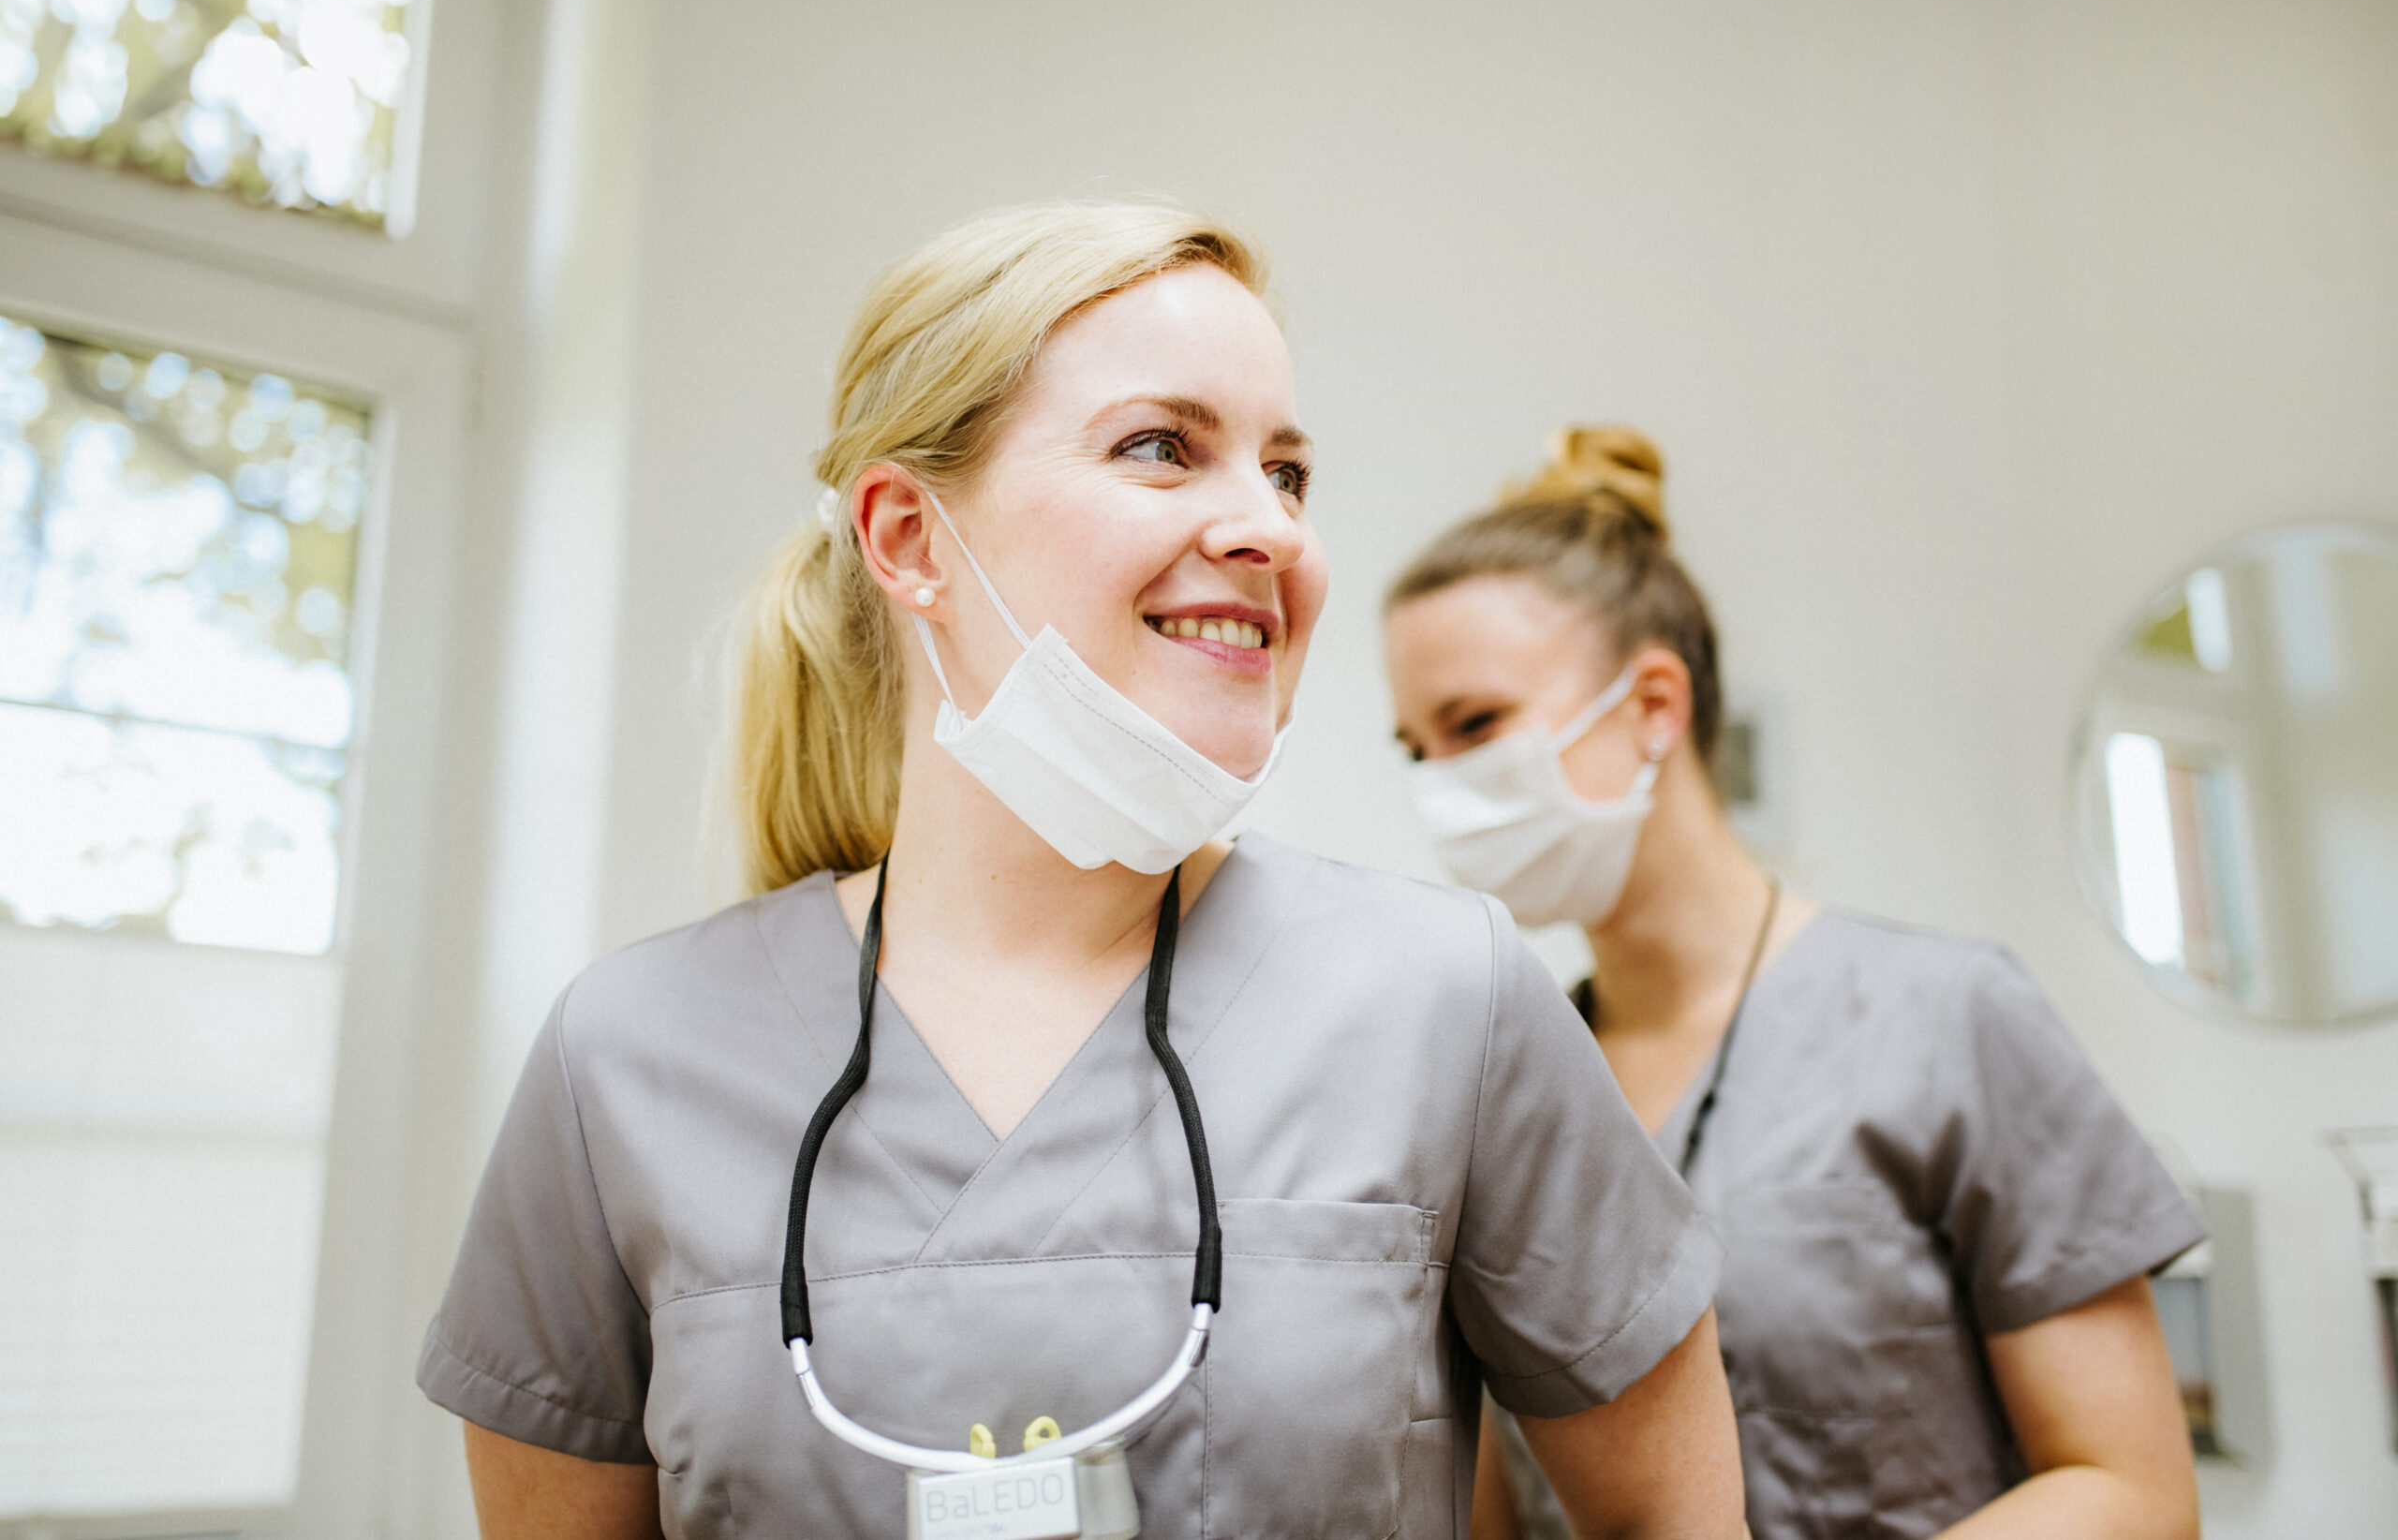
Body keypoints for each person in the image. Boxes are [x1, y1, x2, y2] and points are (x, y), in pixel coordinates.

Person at [417, 207, 1747, 1538]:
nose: (1271, 529)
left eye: (1288, 473)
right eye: (1162, 447)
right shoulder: (628, 1055)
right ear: (909, 537)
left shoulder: (1447, 997)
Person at [1383, 426, 2205, 1540]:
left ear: (1654, 707)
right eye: (1416, 750)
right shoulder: (1501, 1097)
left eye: (1475, 725)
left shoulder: (1944, 1019)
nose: (1443, 786)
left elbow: (2132, 1493)